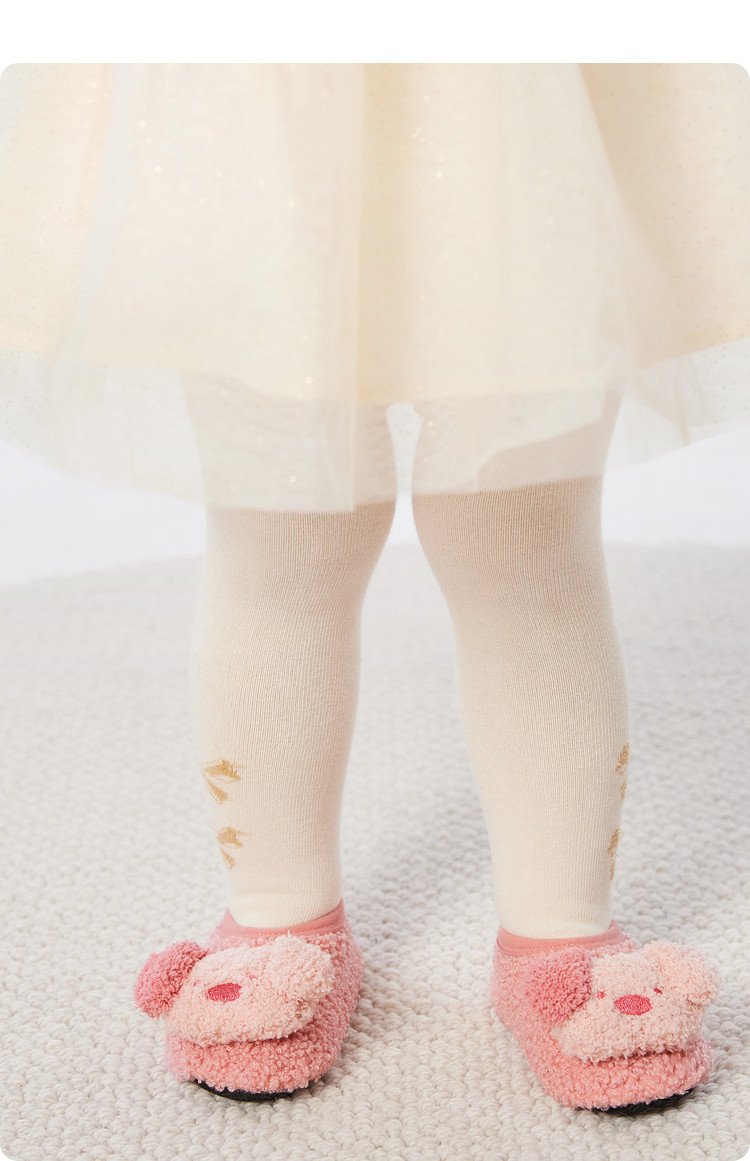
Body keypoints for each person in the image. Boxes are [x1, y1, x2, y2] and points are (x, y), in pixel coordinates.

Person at [0, 62, 747, 1109]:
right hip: (251, 91)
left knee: (524, 539)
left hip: (510, 81)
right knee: (282, 534)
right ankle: (277, 908)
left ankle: (561, 928)